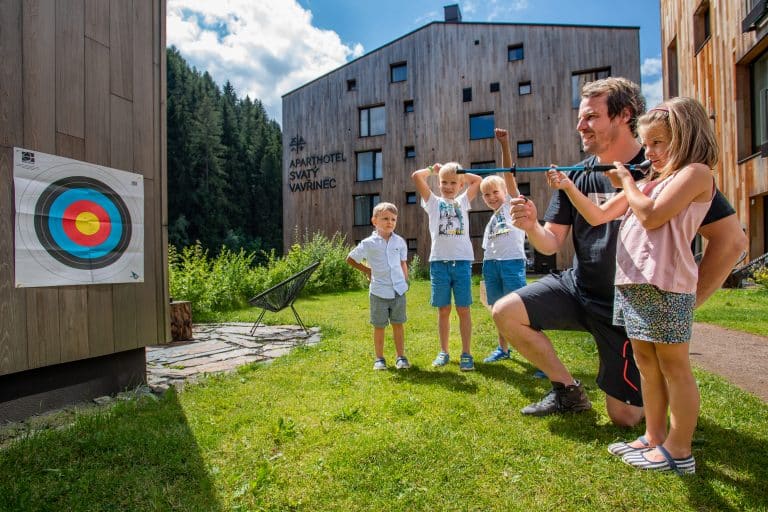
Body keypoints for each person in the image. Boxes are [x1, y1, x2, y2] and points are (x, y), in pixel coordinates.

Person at [492, 77, 747, 427]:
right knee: (506, 311)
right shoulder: (577, 176)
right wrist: (531, 225)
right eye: (581, 117)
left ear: (624, 115)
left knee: (625, 417)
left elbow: (731, 241)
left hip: (630, 308)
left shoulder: (668, 169)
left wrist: (685, 305)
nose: (580, 126)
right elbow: (550, 242)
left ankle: (662, 431)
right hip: (578, 289)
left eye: (591, 117)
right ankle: (568, 391)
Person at [547, 97, 716, 474]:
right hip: (634, 283)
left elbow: (652, 217)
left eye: (658, 143)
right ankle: (654, 438)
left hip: (666, 285)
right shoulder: (652, 181)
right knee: (646, 365)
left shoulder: (696, 174)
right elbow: (600, 213)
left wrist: (626, 180)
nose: (650, 152)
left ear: (686, 137)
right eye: (648, 143)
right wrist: (568, 186)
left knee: (674, 367)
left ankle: (680, 448)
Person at [412, 162, 482, 370]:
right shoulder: (432, 202)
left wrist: (459, 172)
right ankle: (443, 351)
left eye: (453, 183)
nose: (448, 186)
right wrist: (434, 170)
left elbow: (476, 181)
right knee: (443, 310)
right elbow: (417, 176)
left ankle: (466, 353)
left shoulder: (463, 202)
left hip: (461, 263)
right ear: (438, 183)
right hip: (439, 264)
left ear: (460, 185)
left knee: (464, 309)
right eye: (444, 182)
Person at [480, 129, 528, 364]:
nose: (491, 197)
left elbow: (509, 173)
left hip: (511, 263)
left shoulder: (511, 203)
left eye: (495, 192)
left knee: (522, 308)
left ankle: (535, 355)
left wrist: (504, 145)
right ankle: (503, 348)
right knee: (498, 310)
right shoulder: (492, 220)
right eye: (486, 195)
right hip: (492, 265)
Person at [346, 202, 410, 370]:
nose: (390, 222)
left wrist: (405, 279)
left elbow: (403, 263)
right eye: (385, 219)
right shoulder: (369, 243)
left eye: (393, 219)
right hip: (378, 292)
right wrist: (367, 270)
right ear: (374, 221)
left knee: (398, 324)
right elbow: (351, 259)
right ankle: (379, 359)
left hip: (398, 291)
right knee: (379, 326)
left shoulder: (400, 242)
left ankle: (401, 357)